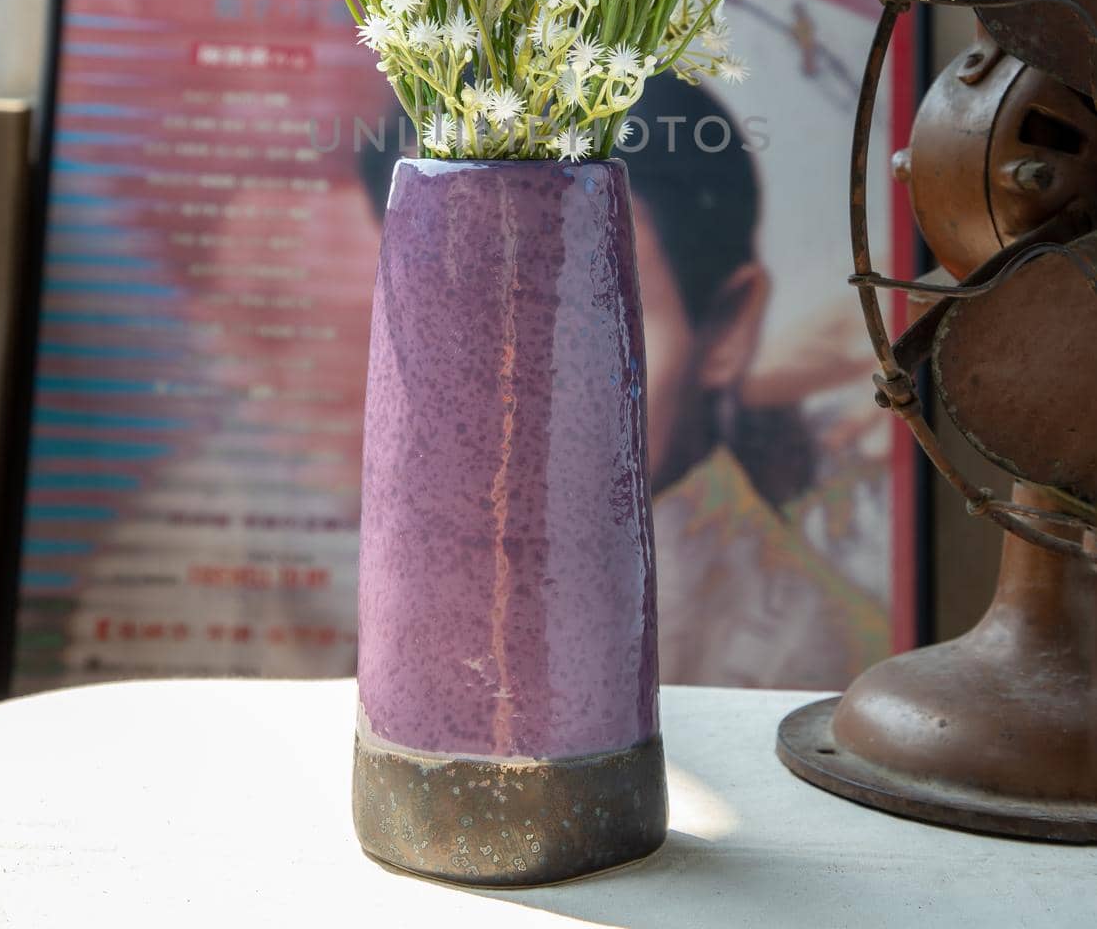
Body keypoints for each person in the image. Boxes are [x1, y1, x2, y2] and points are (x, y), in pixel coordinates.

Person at [359, 71, 888, 691]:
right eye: (458, 316)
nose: (510, 397)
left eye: (587, 321)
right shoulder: (401, 587)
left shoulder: (813, 662)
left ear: (726, 330)